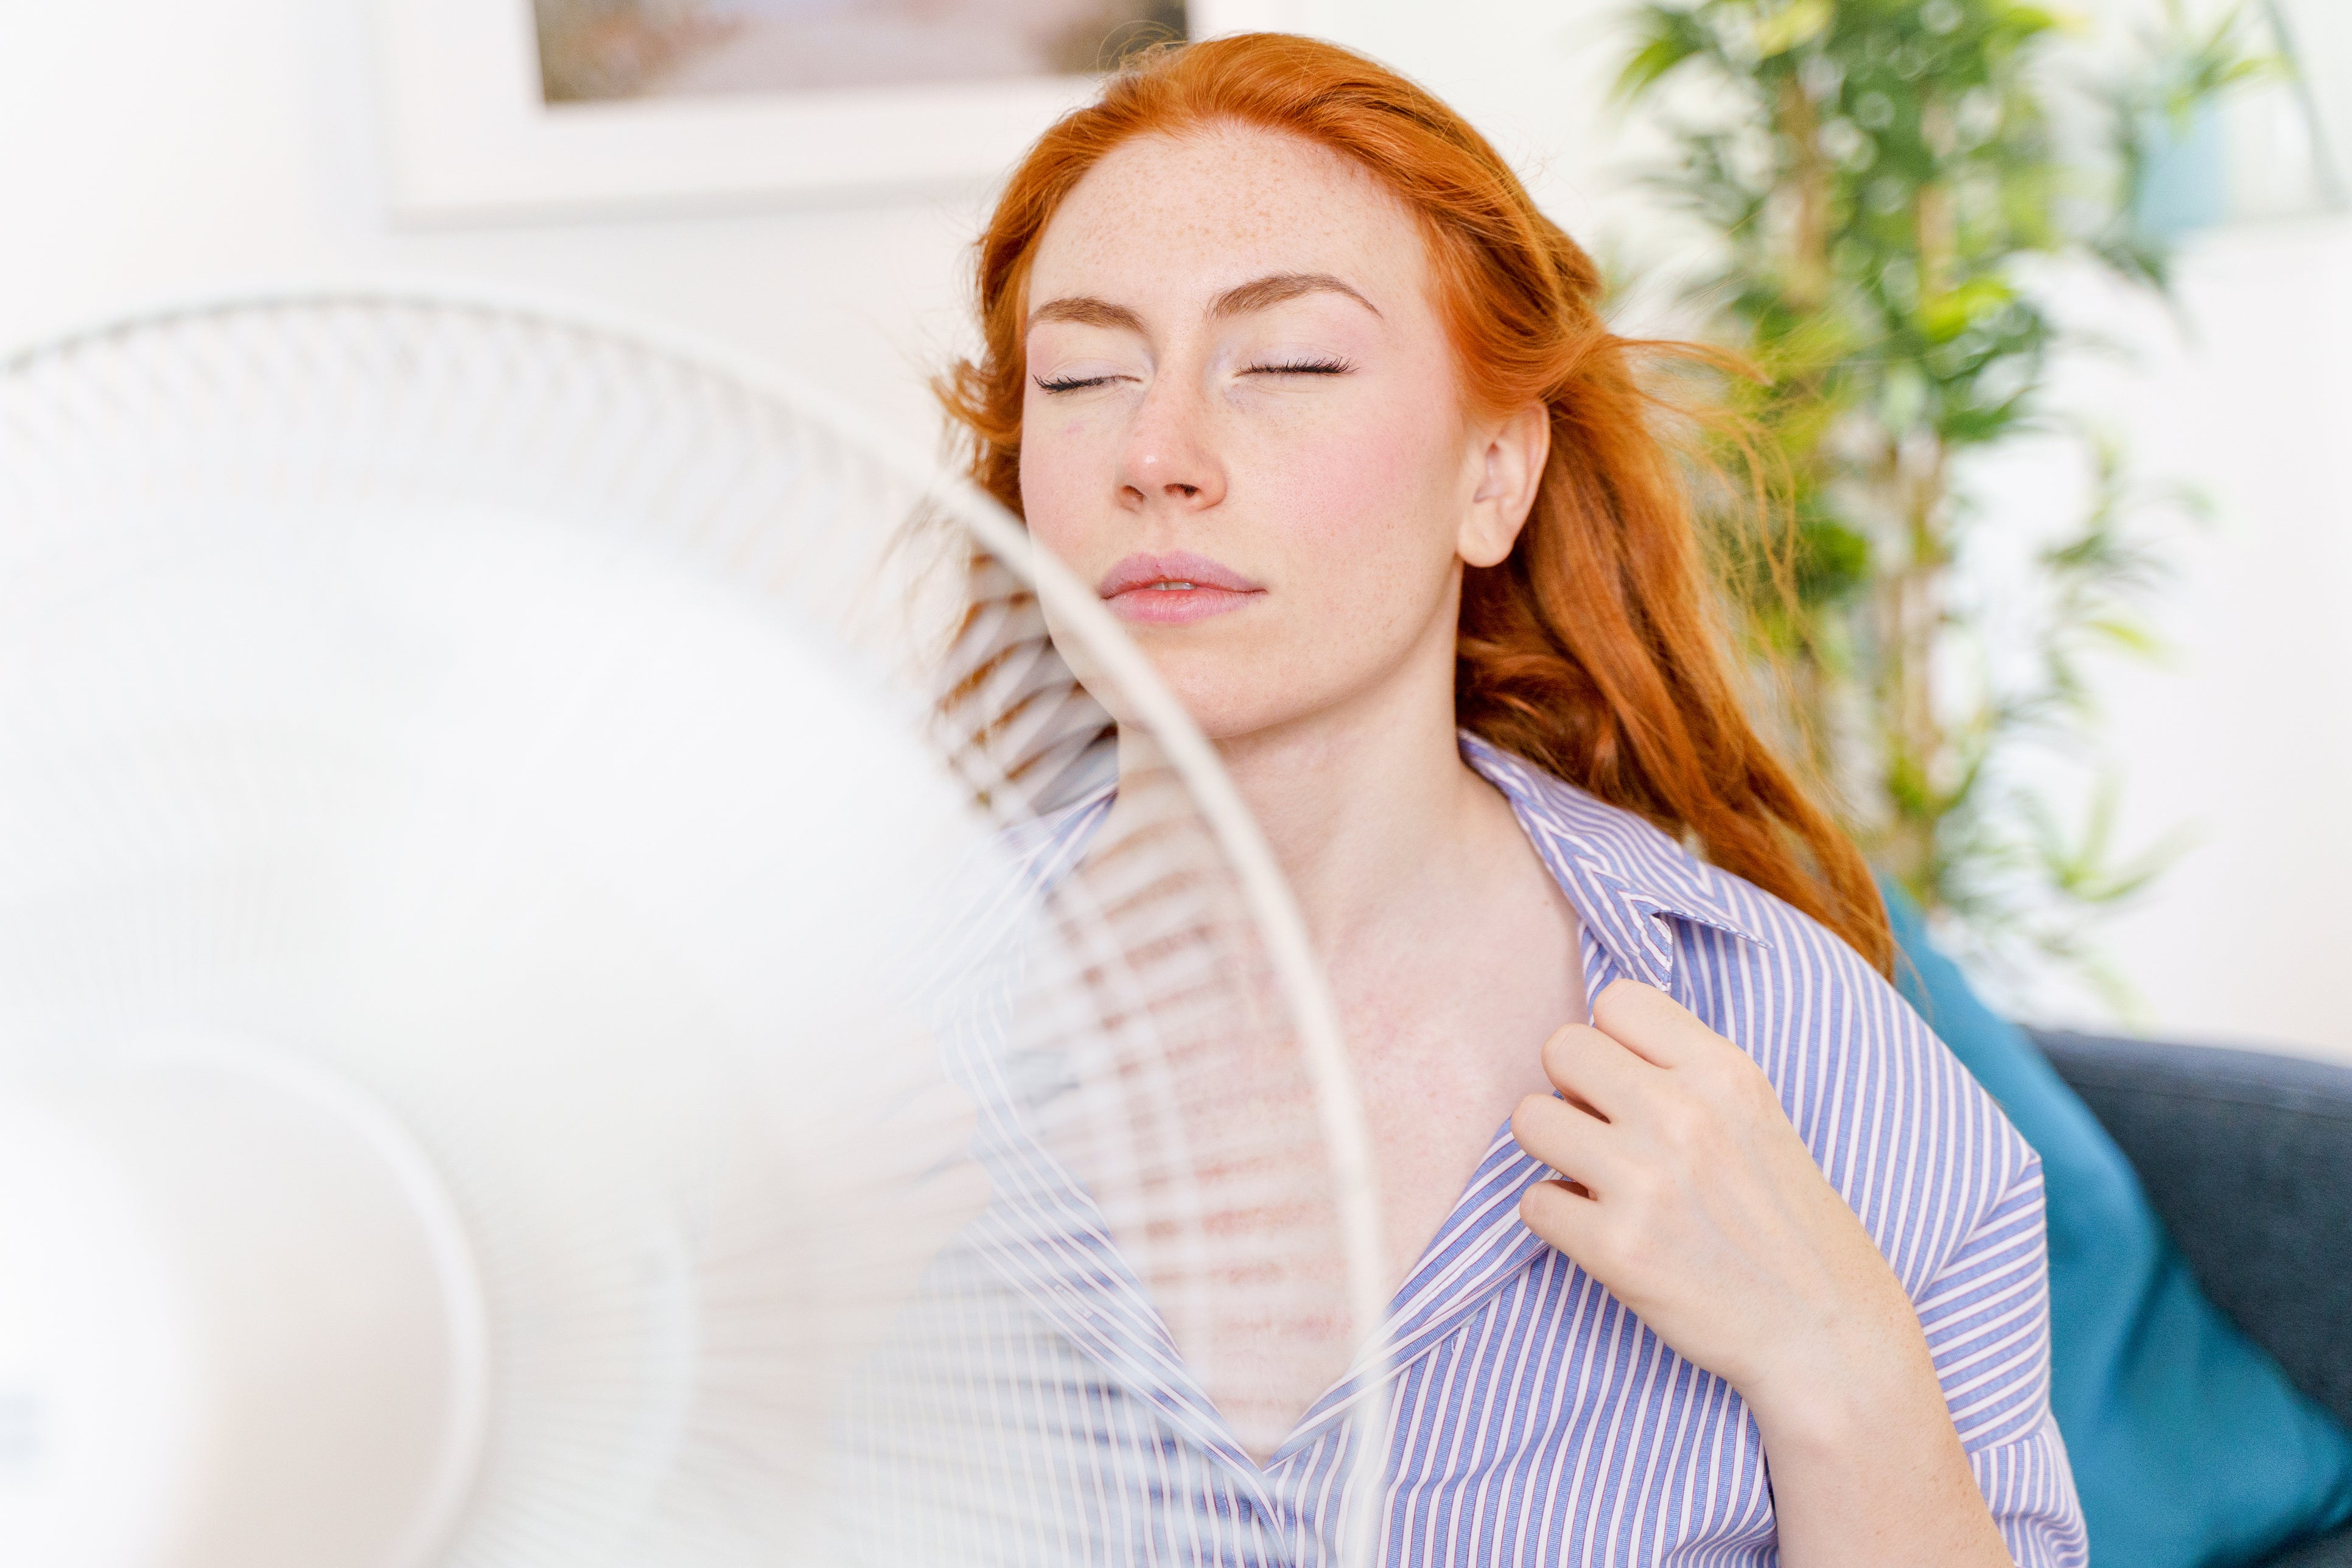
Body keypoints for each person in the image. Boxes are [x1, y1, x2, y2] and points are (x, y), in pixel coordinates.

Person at [891, 30, 2085, 1567]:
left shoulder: (1800, 1061)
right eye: (1083, 374)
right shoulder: (838, 1055)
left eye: (1291, 362)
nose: (1156, 452)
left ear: (1493, 474)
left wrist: (1844, 1376)